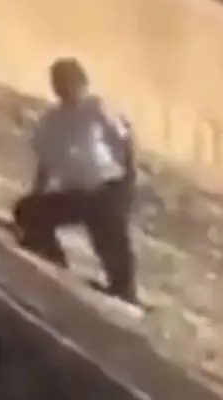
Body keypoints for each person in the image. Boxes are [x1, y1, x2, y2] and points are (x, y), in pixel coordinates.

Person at [12, 58, 141, 309]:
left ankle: (124, 290)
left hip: (108, 187)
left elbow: (127, 139)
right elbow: (45, 163)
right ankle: (53, 258)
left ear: (82, 83)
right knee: (26, 210)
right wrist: (37, 195)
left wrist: (129, 177)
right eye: (59, 84)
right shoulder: (53, 120)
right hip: (77, 194)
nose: (64, 89)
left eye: (68, 83)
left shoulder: (98, 108)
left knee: (110, 235)